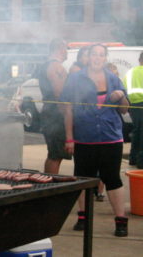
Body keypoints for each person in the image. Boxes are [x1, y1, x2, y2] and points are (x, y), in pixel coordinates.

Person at [61, 44, 129, 237]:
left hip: (110, 138)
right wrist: (69, 138)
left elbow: (124, 109)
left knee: (113, 178)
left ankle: (121, 220)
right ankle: (83, 216)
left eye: (101, 55)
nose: (97, 58)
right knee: (83, 177)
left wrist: (121, 96)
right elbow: (67, 109)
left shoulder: (113, 78)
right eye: (94, 54)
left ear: (105, 58)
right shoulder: (75, 78)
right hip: (84, 137)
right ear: (87, 57)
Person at [38, 39, 70, 174]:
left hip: (50, 114)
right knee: (55, 156)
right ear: (61, 49)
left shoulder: (46, 65)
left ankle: (46, 182)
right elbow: (59, 94)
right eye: (66, 49)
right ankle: (49, 185)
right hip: (55, 116)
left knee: (53, 154)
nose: (67, 52)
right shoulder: (56, 67)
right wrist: (67, 114)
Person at [123, 52, 143, 169]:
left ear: (139, 59)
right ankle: (141, 161)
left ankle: (133, 158)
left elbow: (124, 88)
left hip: (132, 105)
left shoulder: (130, 72)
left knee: (137, 131)